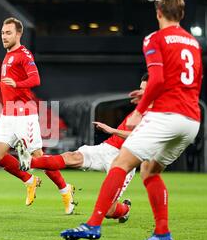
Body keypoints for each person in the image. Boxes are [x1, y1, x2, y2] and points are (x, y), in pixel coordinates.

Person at [60, 0, 203, 240]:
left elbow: (158, 78)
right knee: (149, 171)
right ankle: (162, 233)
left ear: (158, 12)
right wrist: (152, 93)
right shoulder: (193, 43)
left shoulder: (154, 39)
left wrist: (140, 110)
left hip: (167, 115)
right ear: (181, 13)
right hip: (191, 120)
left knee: (121, 163)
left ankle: (93, 224)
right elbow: (188, 81)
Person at [16, 74, 150, 223]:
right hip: (107, 148)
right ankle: (30, 162)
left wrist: (113, 130)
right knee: (72, 157)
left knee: (108, 211)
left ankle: (125, 209)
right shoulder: (142, 107)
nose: (140, 92)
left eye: (144, 89)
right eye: (140, 88)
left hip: (125, 160)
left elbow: (139, 137)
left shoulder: (157, 114)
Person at [0, 17, 76, 215]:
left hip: (24, 114)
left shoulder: (23, 54)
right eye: (2, 33)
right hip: (8, 114)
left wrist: (16, 85)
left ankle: (65, 190)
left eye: (8, 33)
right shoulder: (8, 54)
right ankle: (29, 180)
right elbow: (12, 81)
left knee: (38, 157)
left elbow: (35, 79)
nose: (4, 36)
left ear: (18, 34)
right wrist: (0, 85)